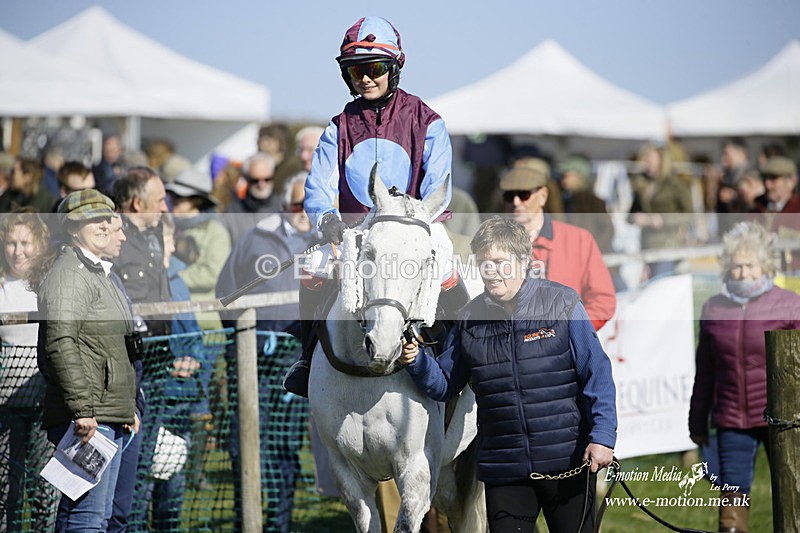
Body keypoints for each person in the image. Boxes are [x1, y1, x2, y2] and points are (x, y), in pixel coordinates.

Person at [402, 217, 617, 533]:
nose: (491, 272)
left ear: (524, 261)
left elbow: (596, 373)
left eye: (500, 262)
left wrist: (603, 437)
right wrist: (417, 361)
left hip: (568, 461)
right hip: (504, 468)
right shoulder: (470, 318)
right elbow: (445, 384)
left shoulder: (562, 302)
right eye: (484, 263)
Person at [286, 15, 459, 397]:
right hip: (355, 232)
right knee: (311, 265)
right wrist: (326, 218)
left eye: (375, 68)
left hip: (413, 228)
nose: (365, 78)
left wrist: (408, 219)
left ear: (395, 68)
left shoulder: (428, 120)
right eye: (355, 70)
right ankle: (306, 355)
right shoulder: (338, 126)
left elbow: (439, 189)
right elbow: (317, 187)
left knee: (448, 268)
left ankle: (457, 362)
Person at [216, 171, 318, 532]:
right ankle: (248, 518)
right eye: (296, 205)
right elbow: (226, 292)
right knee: (243, 440)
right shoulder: (255, 238)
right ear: (283, 205)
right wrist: (244, 339)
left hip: (296, 362)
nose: (303, 212)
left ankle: (280, 523)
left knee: (284, 443)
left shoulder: (328, 243)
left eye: (309, 205)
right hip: (252, 356)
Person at [34, 190, 137, 532]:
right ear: (73, 228)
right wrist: (82, 409)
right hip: (90, 418)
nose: (106, 227)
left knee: (98, 517)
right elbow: (60, 342)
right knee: (86, 519)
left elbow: (113, 348)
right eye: (94, 220)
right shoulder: (70, 274)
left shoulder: (98, 273)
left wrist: (126, 409)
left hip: (107, 415)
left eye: (107, 219)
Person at [689, 221, 800, 532]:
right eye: (736, 266)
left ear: (764, 265)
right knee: (732, 498)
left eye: (749, 265)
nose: (742, 273)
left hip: (783, 418)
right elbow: (705, 372)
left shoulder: (790, 305)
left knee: (792, 490)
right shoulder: (713, 308)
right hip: (732, 420)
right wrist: (697, 422)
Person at [499, 162, 615, 330]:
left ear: (543, 196)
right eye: (509, 196)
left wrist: (568, 332)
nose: (516, 202)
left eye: (524, 194)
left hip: (563, 349)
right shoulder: (492, 243)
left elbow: (603, 300)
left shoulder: (578, 240)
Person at [0, 209, 59, 530]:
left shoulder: (50, 284)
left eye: (25, 242)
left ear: (40, 243)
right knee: (4, 491)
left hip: (43, 405)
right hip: (5, 406)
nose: (18, 251)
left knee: (44, 492)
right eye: (11, 243)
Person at [165, 167, 231, 330]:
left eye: (179, 197)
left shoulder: (215, 231)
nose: (172, 201)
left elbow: (212, 275)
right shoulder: (167, 227)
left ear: (195, 200)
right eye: (172, 196)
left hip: (203, 322)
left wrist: (170, 279)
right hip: (172, 319)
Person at [628, 142, 693, 280]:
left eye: (650, 158)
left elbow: (690, 215)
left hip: (670, 244)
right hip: (647, 245)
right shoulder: (640, 184)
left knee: (662, 284)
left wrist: (663, 220)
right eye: (645, 158)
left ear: (661, 160)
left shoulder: (675, 185)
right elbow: (630, 215)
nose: (646, 162)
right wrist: (636, 218)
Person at [750, 156, 800, 272]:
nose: (767, 185)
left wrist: (778, 237)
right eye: (765, 179)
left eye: (773, 179)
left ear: (791, 181)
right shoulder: (757, 207)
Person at [223, 152, 282, 244]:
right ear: (247, 179)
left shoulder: (283, 207)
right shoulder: (232, 212)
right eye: (255, 180)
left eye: (267, 179)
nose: (261, 185)